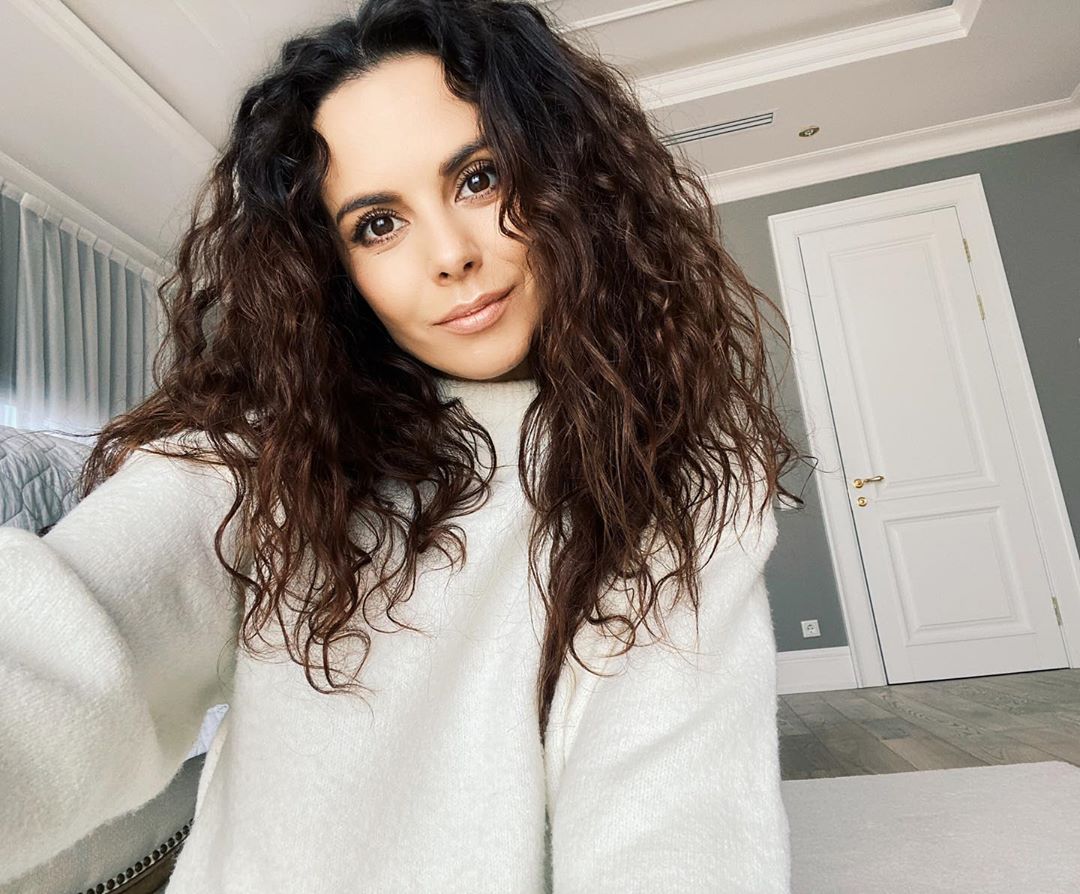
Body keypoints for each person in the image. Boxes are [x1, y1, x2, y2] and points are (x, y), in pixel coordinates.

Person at [0, 0, 806, 890]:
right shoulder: (259, 455)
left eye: (480, 179)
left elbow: (679, 824)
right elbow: (68, 639)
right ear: (334, 267)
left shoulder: (685, 480)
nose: (450, 254)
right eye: (378, 224)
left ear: (569, 181)